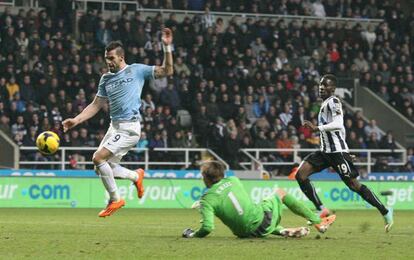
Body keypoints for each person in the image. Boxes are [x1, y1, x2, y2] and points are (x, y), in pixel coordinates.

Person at [62, 29, 174, 217]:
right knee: (101, 168)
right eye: (107, 58)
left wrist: (166, 46)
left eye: (112, 58)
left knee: (98, 158)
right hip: (114, 126)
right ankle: (135, 176)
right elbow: (96, 105)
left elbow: (168, 70)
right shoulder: (106, 79)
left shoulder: (136, 70)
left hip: (130, 127)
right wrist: (76, 120)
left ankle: (115, 199)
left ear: (121, 57)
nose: (108, 62)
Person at [293, 74, 393, 232]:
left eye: (324, 85)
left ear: (332, 88)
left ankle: (385, 212)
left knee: (354, 186)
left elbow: (339, 124)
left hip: (337, 153)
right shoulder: (325, 104)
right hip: (325, 152)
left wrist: (317, 129)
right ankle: (321, 209)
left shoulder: (334, 101)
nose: (321, 87)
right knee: (301, 175)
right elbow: (342, 130)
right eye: (320, 85)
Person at [182, 161, 336, 238]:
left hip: (245, 234)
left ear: (206, 178)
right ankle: (318, 221)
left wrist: (192, 234)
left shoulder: (207, 200)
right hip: (262, 222)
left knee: (254, 214)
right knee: (279, 193)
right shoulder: (234, 180)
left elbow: (208, 227)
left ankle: (284, 230)